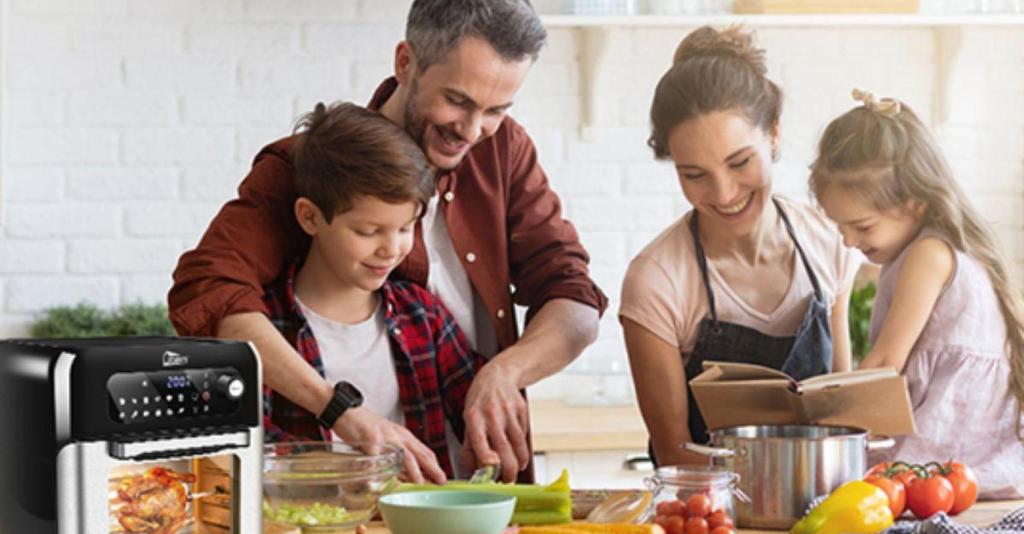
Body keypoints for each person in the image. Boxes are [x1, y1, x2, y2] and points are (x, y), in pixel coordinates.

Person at [169, 0, 607, 483]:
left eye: (496, 110)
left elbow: (573, 296)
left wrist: (503, 374)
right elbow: (209, 290)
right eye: (458, 101)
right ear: (406, 62)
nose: (472, 129)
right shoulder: (313, 166)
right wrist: (337, 410)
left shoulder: (502, 148)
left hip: (469, 483)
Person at [619, 26, 859, 467]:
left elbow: (842, 417)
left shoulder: (829, 240)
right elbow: (674, 454)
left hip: (824, 510)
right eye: (694, 175)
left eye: (739, 162)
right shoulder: (657, 280)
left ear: (774, 135)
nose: (724, 192)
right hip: (709, 517)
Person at [810, 89, 1024, 498]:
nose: (849, 240)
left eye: (862, 226)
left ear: (915, 204)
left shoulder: (928, 254)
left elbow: (887, 361)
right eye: (840, 227)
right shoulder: (929, 248)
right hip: (962, 447)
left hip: (949, 448)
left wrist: (834, 424)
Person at [262, 101, 482, 483]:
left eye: (404, 228)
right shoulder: (268, 328)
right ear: (310, 217)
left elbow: (475, 415)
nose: (391, 249)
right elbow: (252, 447)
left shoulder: (424, 317)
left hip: (422, 531)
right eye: (368, 231)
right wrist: (359, 470)